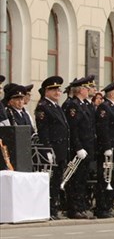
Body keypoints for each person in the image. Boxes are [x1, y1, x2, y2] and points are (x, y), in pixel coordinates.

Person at [34, 76, 70, 219]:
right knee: (51, 183)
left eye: (58, 90)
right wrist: (47, 149)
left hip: (60, 150)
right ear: (46, 91)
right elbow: (44, 131)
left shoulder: (56, 106)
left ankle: (53, 209)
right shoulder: (43, 107)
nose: (57, 92)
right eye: (53, 90)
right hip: (52, 150)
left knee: (56, 182)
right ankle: (48, 210)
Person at [63, 76, 96, 219]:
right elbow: (73, 129)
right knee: (75, 181)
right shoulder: (73, 105)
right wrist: (78, 147)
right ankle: (74, 208)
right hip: (78, 150)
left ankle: (81, 206)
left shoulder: (83, 104)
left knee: (82, 180)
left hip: (86, 148)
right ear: (81, 90)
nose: (88, 90)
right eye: (86, 88)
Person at [94, 78, 114, 219]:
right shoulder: (104, 107)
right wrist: (107, 146)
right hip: (108, 150)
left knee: (113, 180)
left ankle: (107, 206)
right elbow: (103, 129)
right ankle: (102, 208)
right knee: (105, 179)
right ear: (113, 93)